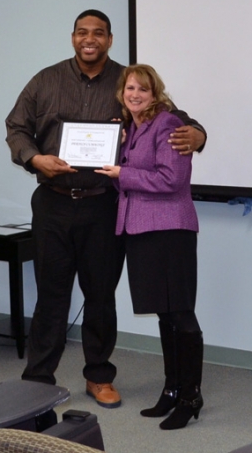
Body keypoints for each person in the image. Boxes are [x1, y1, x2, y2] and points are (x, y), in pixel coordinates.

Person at [4, 9, 206, 408]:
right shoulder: (45, 80)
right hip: (53, 204)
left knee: (100, 295)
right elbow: (16, 128)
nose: (90, 39)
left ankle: (98, 375)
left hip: (104, 206)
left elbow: (174, 116)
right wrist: (34, 159)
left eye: (98, 33)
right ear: (73, 37)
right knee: (51, 294)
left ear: (110, 40)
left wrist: (199, 133)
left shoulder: (127, 81)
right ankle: (38, 377)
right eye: (82, 32)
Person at [95, 64, 203, 430]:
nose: (135, 94)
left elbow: (173, 179)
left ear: (155, 93)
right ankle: (172, 390)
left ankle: (190, 396)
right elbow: (128, 180)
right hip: (140, 229)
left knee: (181, 313)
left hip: (169, 230)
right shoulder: (133, 128)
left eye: (142, 89)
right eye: (129, 88)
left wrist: (122, 174)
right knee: (164, 313)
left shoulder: (169, 124)